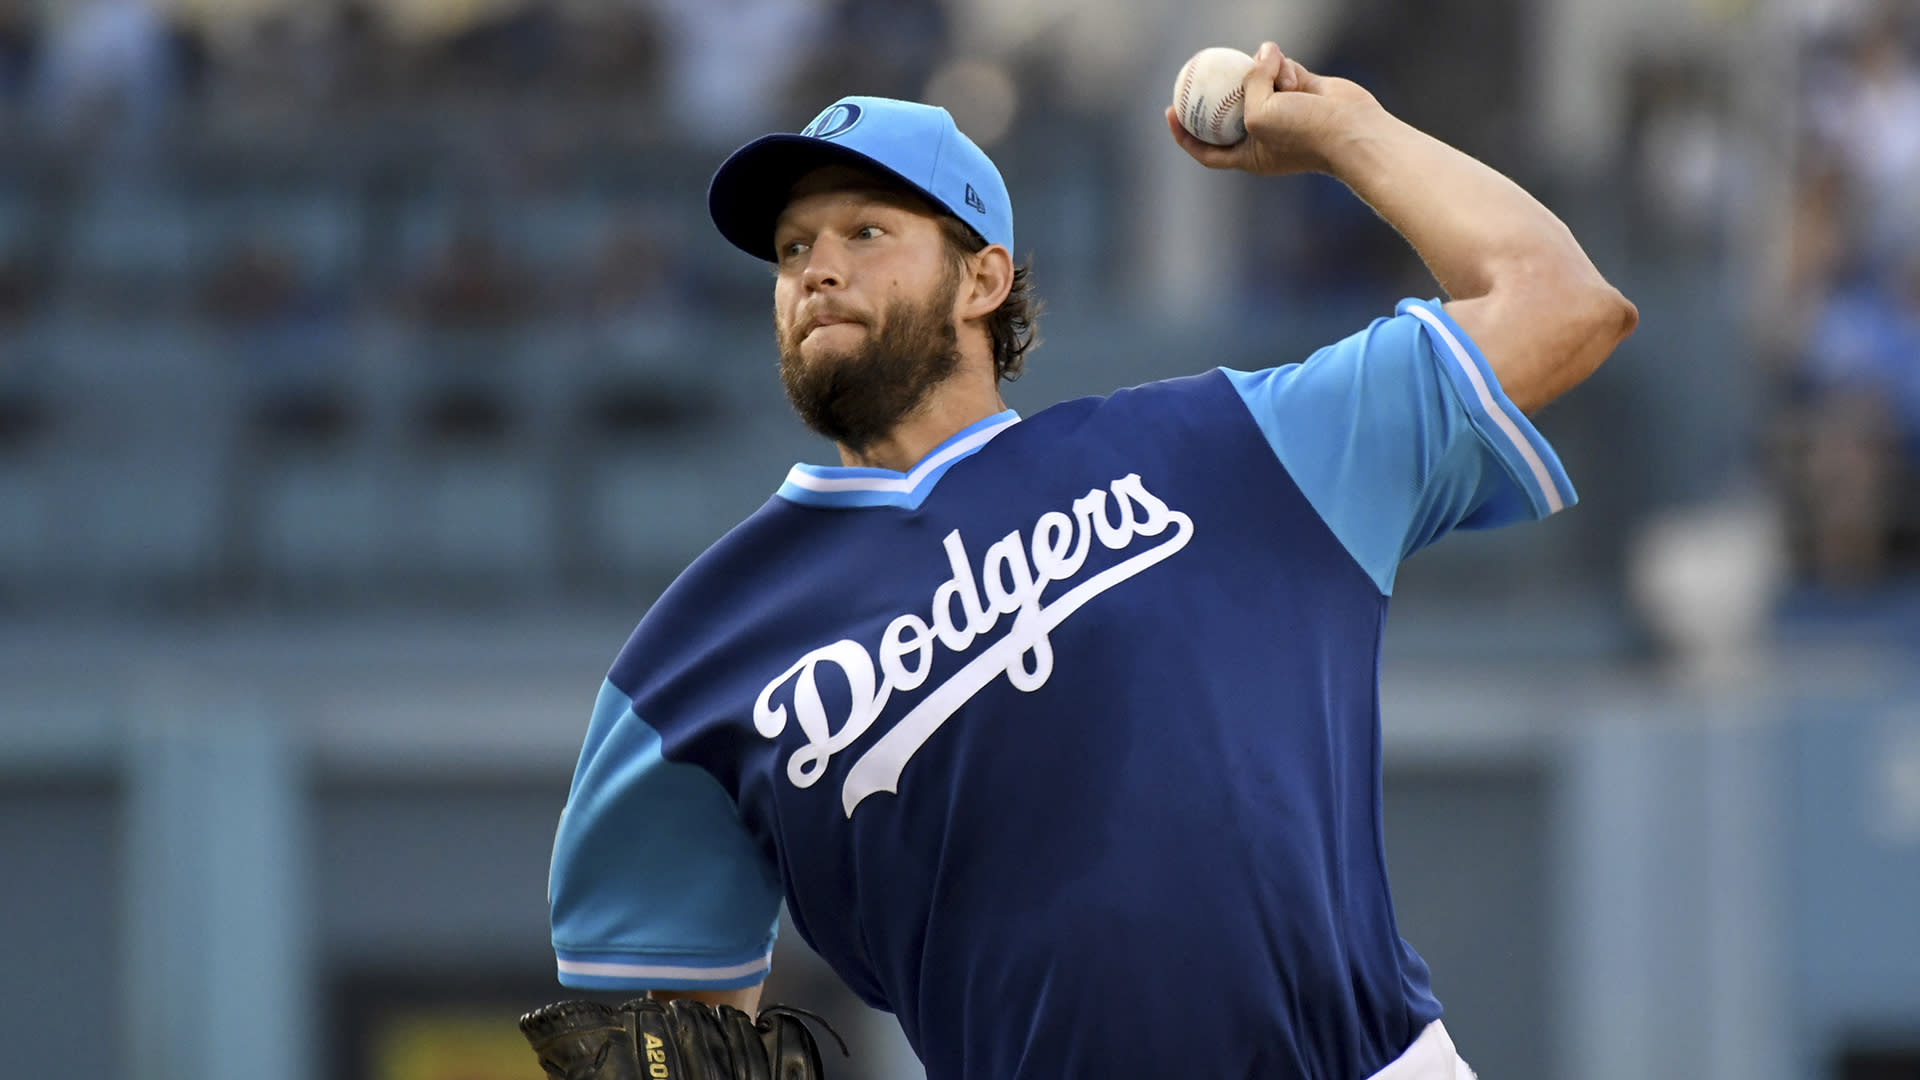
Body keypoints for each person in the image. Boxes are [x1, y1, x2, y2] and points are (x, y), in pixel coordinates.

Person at [543, 42, 1636, 1080]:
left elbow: (1562, 304)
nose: (816, 269)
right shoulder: (691, 660)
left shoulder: (1231, 449)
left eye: (865, 232)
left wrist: (1349, 132)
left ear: (982, 279)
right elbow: (654, 1030)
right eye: (792, 249)